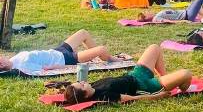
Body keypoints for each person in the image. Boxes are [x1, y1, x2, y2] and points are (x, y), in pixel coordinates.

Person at [63, 44, 192, 104]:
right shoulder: (103, 96)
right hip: (146, 87)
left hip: (135, 74)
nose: (83, 81)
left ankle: (165, 78)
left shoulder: (92, 87)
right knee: (186, 74)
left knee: (154, 48)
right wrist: (157, 96)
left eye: (80, 82)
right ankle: (179, 87)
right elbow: (131, 99)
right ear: (85, 95)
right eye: (82, 85)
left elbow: (71, 93)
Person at [0, 29, 129, 74]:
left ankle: (97, 55)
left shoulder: (13, 59)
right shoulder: (23, 67)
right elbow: (47, 69)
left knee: (83, 33)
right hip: (67, 58)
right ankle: (110, 59)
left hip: (57, 51)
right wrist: (70, 66)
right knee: (101, 49)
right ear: (1, 65)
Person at [137, 0, 203, 22]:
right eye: (146, 13)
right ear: (146, 17)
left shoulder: (156, 15)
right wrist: (182, 22)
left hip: (186, 12)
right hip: (187, 16)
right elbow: (169, 21)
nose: (149, 11)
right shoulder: (156, 18)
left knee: (194, 3)